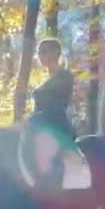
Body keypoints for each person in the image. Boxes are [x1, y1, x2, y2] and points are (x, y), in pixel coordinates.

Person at [23, 38, 78, 193]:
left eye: (45, 51)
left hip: (56, 124)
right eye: (39, 52)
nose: (41, 55)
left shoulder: (65, 75)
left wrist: (34, 119)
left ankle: (52, 191)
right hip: (40, 124)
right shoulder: (46, 80)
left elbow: (58, 106)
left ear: (56, 53)